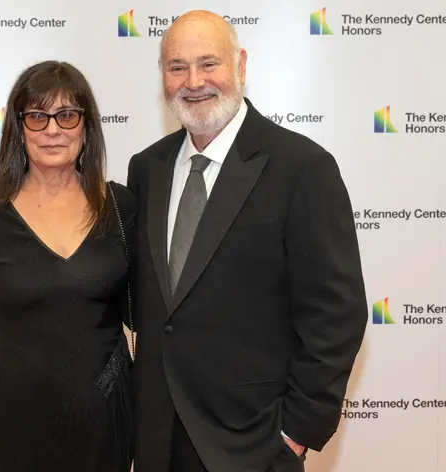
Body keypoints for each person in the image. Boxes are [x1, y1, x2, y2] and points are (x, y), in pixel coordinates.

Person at [126, 10, 368, 472]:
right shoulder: (147, 169)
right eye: (177, 67)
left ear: (240, 65)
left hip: (254, 446)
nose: (193, 81)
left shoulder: (302, 168)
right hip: (157, 442)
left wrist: (296, 433)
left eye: (208, 63)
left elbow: (337, 314)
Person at [0, 60, 135, 472]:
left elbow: (146, 312)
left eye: (67, 115)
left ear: (87, 127)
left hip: (103, 421)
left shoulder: (120, 206)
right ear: (19, 129)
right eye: (38, 116)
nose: (53, 130)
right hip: (14, 422)